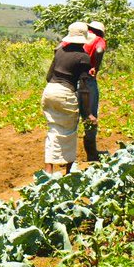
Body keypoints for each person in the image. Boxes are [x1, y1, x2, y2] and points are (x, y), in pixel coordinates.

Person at [41, 22, 93, 176]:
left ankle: (48, 171)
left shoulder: (59, 50)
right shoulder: (84, 57)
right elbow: (84, 89)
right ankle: (69, 172)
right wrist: (88, 113)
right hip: (64, 92)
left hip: (49, 91)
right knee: (69, 132)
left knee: (53, 130)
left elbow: (48, 76)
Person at [80, 20, 107, 161]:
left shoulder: (80, 38)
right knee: (90, 115)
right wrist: (95, 67)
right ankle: (92, 154)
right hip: (88, 79)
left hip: (73, 79)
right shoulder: (99, 40)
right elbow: (99, 50)